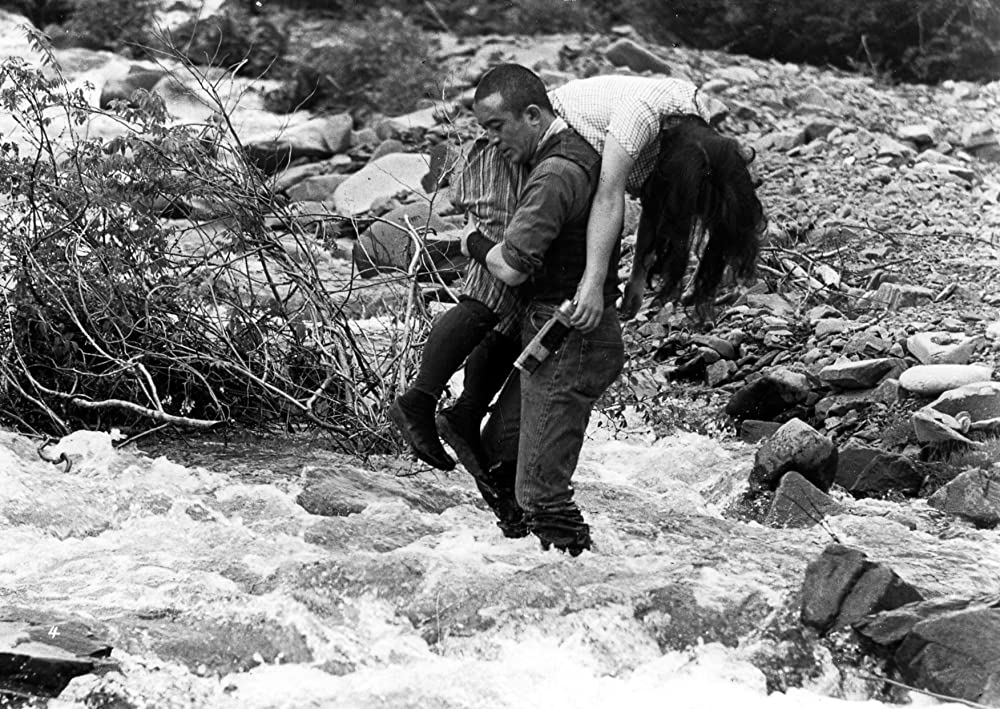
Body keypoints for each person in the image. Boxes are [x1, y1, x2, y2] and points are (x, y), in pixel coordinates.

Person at [447, 93, 766, 554]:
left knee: (538, 495)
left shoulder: (617, 144)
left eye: (497, 127)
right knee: (502, 457)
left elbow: (613, 198)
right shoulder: (634, 125)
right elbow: (627, 200)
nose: (490, 139)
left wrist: (601, 284)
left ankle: (579, 580)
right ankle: (539, 574)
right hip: (569, 332)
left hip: (574, 335)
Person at [389, 73, 722, 472]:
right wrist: (593, 282)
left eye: (494, 128)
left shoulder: (686, 129)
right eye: (487, 128)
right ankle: (419, 401)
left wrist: (637, 274)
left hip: (541, 147)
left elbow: (654, 198)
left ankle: (465, 414)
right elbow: (608, 194)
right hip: (520, 156)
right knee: (493, 290)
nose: (489, 135)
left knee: (516, 304)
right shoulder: (644, 117)